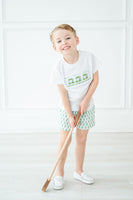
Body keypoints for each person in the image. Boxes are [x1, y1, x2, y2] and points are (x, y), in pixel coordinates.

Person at [50, 24, 100, 190]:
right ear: (55, 47)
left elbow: (95, 80)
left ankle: (78, 171)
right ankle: (59, 174)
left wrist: (86, 101)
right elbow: (63, 94)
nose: (64, 42)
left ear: (76, 40)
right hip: (67, 108)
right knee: (65, 140)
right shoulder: (59, 67)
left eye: (68, 37)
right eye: (59, 40)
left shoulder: (89, 57)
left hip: (87, 106)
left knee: (82, 138)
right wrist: (70, 115)